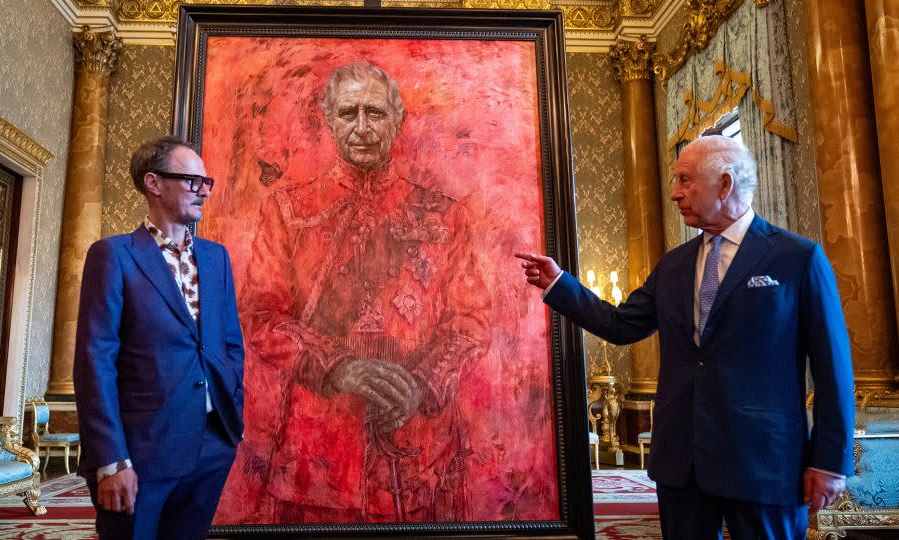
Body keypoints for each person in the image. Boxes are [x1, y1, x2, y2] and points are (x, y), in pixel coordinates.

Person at [517, 135, 854, 539]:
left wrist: (830, 460)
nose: (675, 193)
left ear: (725, 184)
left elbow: (833, 368)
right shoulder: (674, 265)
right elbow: (621, 325)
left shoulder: (797, 259)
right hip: (682, 462)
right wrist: (561, 285)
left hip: (765, 464)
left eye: (685, 180)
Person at [237, 61, 489, 522]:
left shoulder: (444, 214)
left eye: (374, 113)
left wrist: (423, 383)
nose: (361, 128)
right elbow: (261, 317)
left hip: (420, 448)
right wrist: (337, 367)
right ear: (330, 120)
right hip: (320, 447)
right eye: (349, 112)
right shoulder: (286, 210)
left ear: (396, 120)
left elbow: (470, 321)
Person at [74, 136, 245, 539]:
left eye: (207, 182)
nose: (203, 191)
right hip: (139, 453)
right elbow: (95, 361)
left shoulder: (216, 257)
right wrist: (111, 460)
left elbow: (230, 345)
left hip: (211, 445)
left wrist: (231, 415)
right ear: (154, 183)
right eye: (191, 181)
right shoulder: (113, 255)